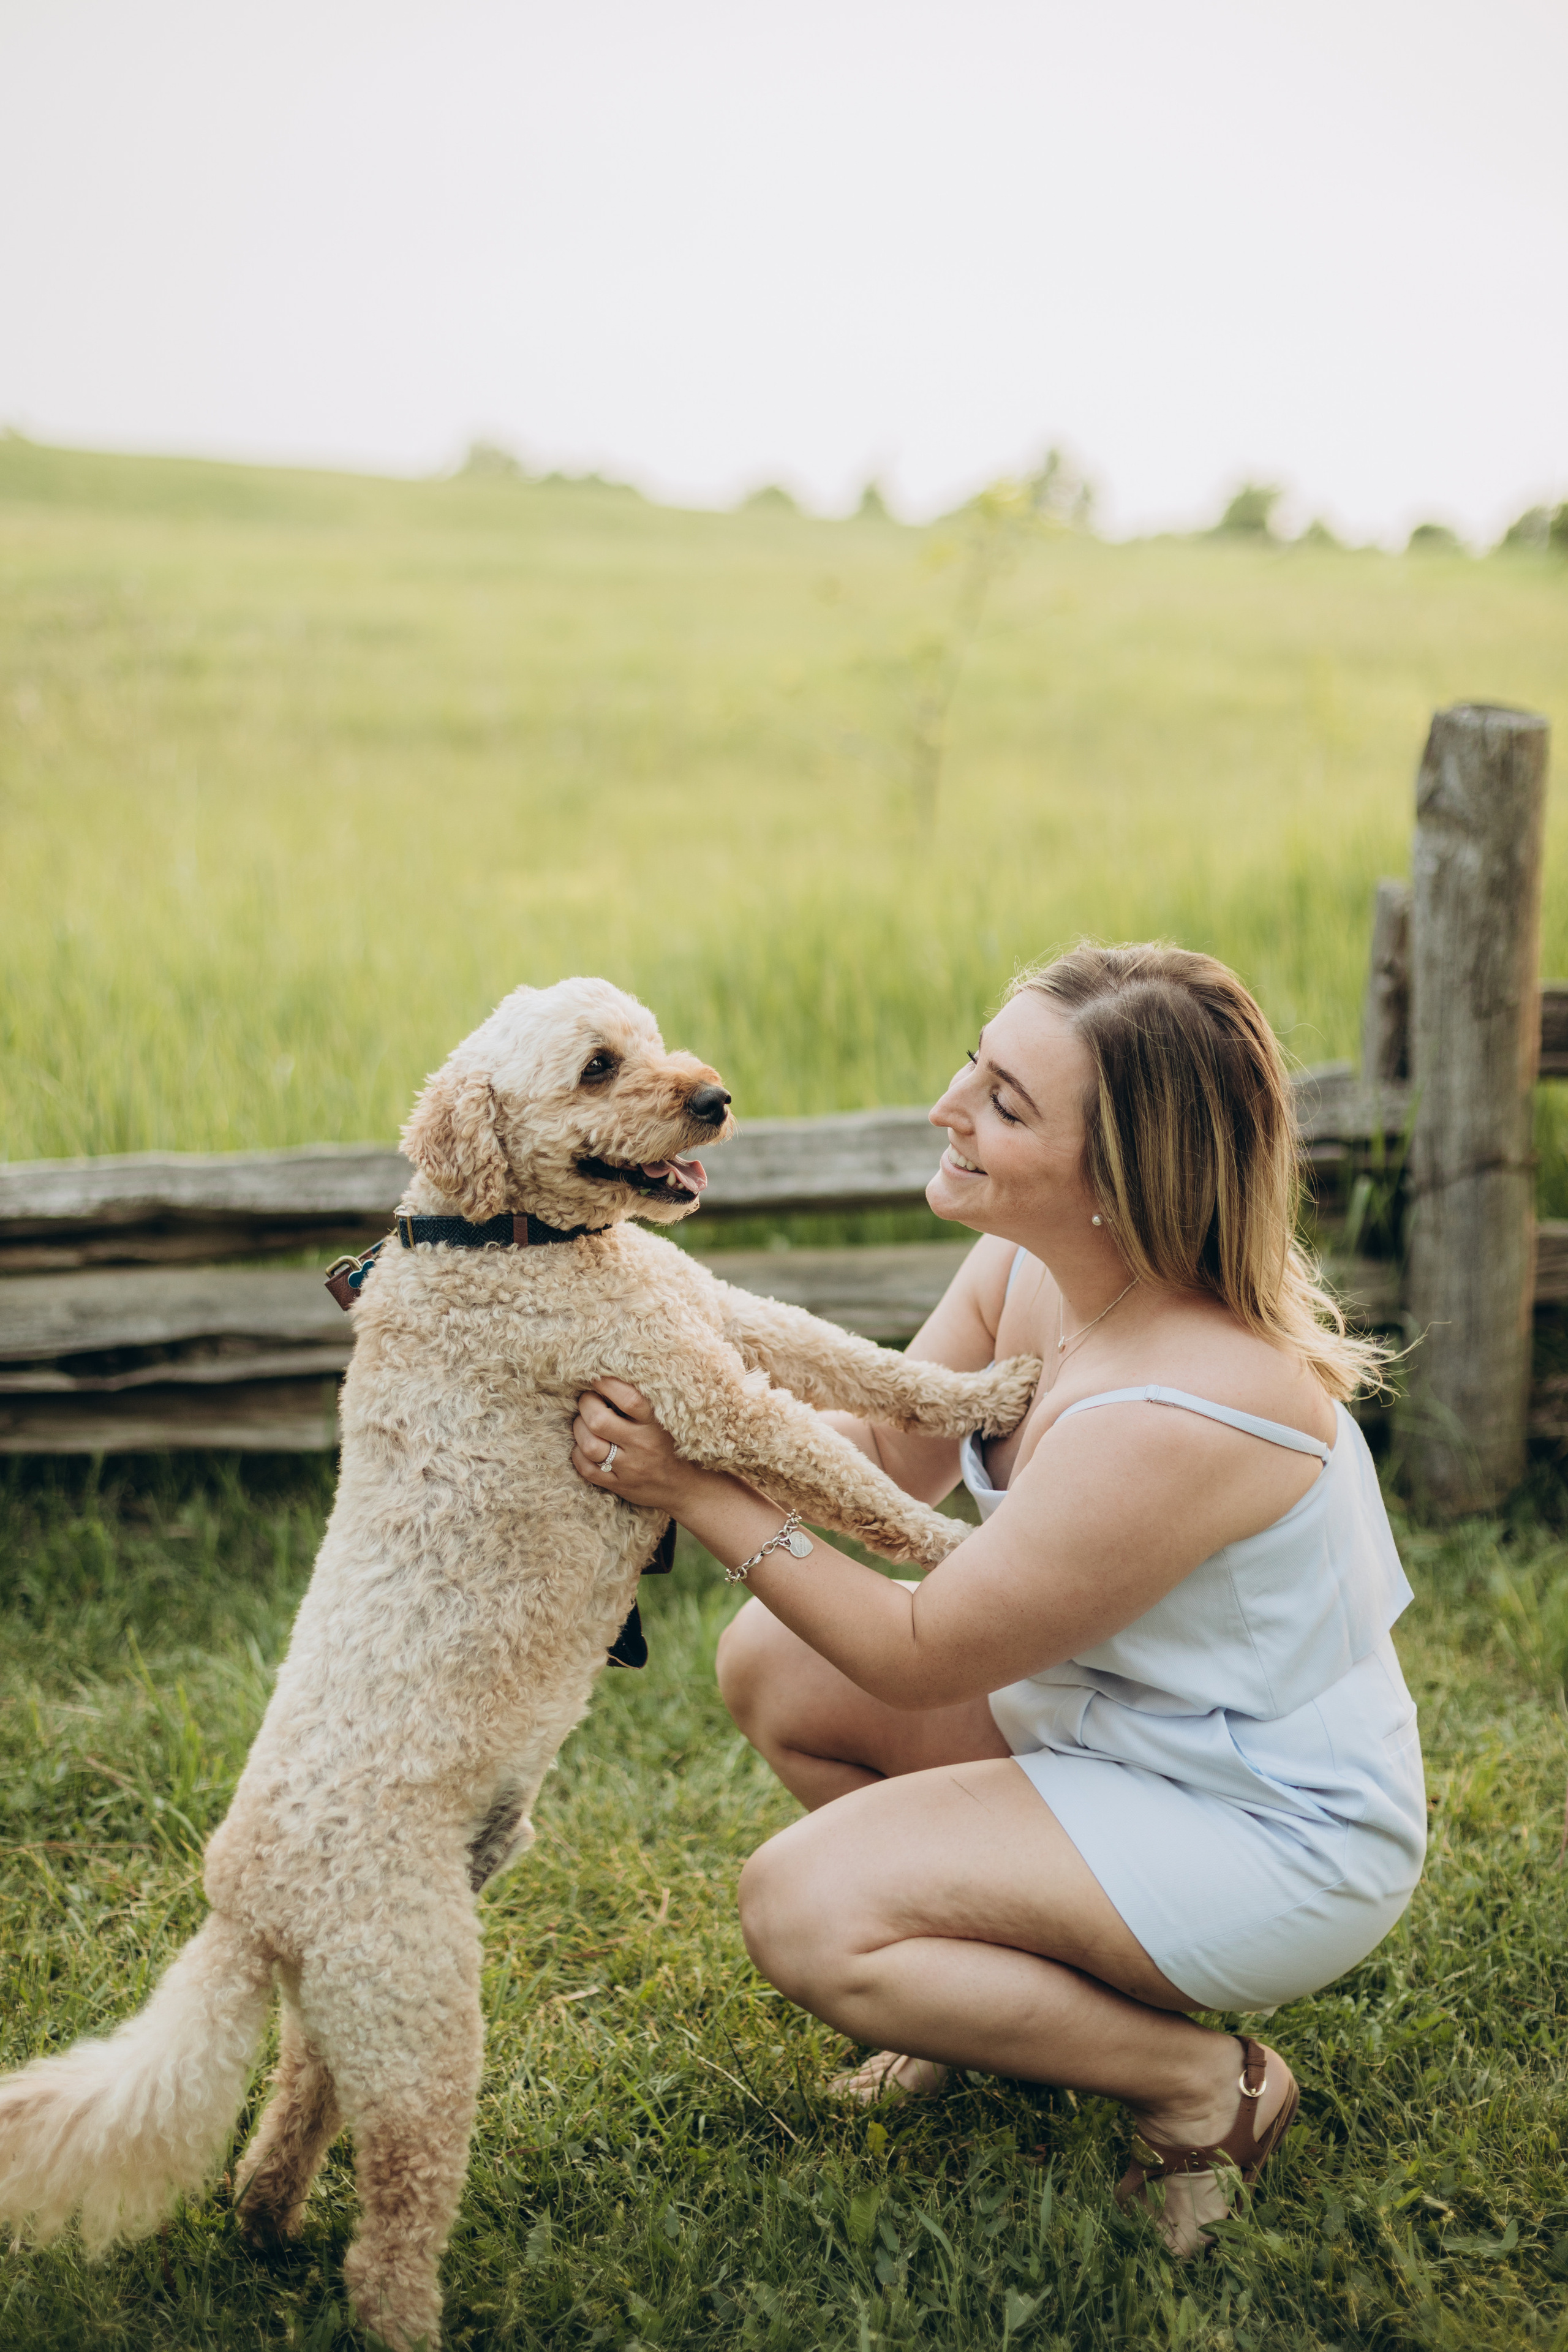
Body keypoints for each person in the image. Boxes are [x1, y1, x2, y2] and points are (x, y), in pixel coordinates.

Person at [570, 943, 1426, 2255]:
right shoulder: (1034, 1269)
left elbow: (914, 1650)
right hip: (1103, 1737)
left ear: (1120, 1177)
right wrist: (667, 1398)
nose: (947, 1104)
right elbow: (878, 1459)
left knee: (807, 1912)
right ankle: (974, 2001)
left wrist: (693, 1487)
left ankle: (1204, 2088)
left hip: (1263, 1826)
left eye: (1006, 1103)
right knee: (775, 1662)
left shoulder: (1192, 1403)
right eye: (977, 1059)